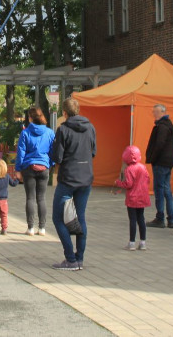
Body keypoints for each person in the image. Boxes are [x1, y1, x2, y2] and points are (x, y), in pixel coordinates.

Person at [50, 97, 97, 271]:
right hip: (86, 178)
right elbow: (94, 152)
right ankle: (80, 258)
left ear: (64, 113)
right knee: (80, 217)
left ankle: (70, 258)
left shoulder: (63, 130)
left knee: (58, 217)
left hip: (68, 179)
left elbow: (58, 157)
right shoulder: (90, 127)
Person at [14, 106, 54, 236]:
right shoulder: (49, 133)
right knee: (41, 198)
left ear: (30, 118)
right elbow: (53, 151)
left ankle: (30, 228)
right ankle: (42, 228)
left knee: (30, 198)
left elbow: (21, 152)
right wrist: (50, 164)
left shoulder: (25, 133)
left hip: (29, 168)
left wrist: (18, 169)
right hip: (44, 168)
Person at [145, 104, 173, 228]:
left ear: (162, 112)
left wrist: (152, 157)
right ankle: (171, 218)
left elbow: (160, 144)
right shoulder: (167, 125)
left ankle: (161, 217)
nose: (154, 114)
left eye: (155, 112)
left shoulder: (162, 127)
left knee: (160, 189)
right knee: (166, 189)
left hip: (161, 162)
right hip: (167, 161)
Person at [114, 145, 150, 251]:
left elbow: (128, 184)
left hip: (132, 198)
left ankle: (132, 243)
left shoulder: (129, 169)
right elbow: (147, 180)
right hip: (142, 197)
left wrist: (118, 183)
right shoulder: (143, 167)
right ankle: (143, 242)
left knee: (132, 220)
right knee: (141, 219)